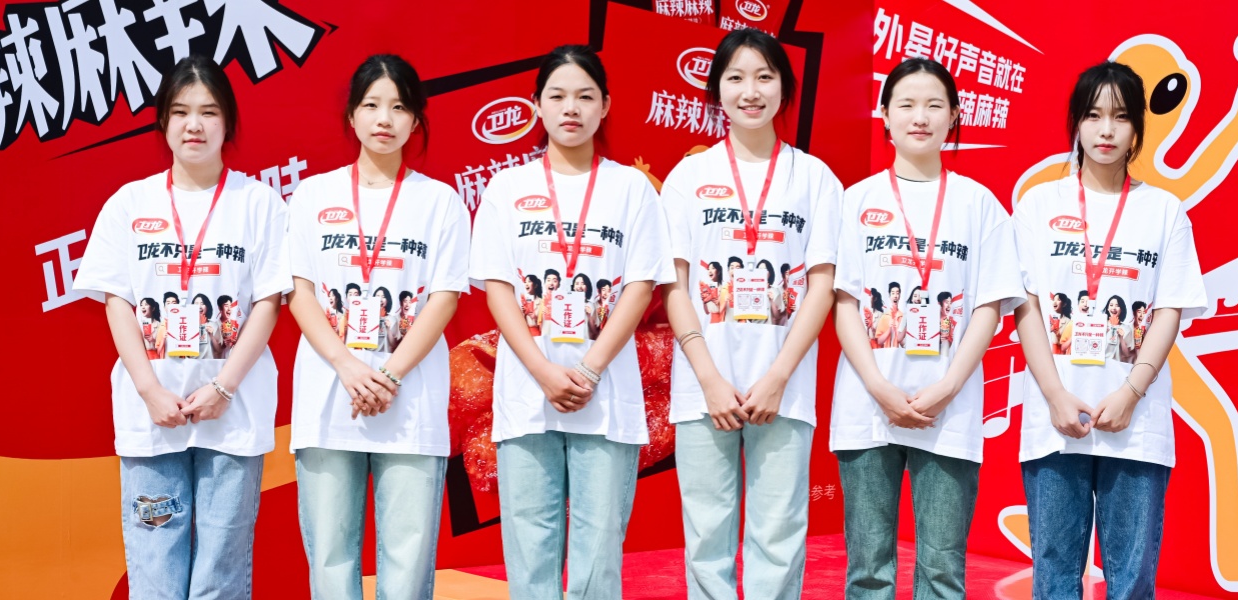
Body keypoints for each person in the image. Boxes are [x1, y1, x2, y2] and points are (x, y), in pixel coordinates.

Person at [73, 55, 290, 598]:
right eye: (181, 112)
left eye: (209, 112)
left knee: (222, 568)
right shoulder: (129, 203)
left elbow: (268, 303)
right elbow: (117, 301)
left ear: (228, 122)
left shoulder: (259, 204)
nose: (194, 125)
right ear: (163, 122)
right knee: (155, 568)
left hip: (234, 412)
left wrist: (223, 387)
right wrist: (149, 390)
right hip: (152, 416)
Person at [468, 44, 673, 599]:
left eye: (585, 96)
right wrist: (542, 370)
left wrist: (587, 369)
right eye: (557, 96)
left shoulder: (632, 189)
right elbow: (498, 287)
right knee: (529, 548)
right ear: (536, 105)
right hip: (526, 394)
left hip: (605, 396)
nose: (571, 108)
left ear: (605, 105)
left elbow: (640, 286)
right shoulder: (507, 189)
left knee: (598, 550)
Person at [1012, 61, 1207, 600]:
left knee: (1132, 582)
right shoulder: (1038, 205)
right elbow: (1026, 304)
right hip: (1055, 419)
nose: (1106, 130)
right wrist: (1055, 395)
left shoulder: (1164, 211)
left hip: (1136, 420)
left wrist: (1130, 392)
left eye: (1120, 117)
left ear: (1137, 127)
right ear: (1076, 122)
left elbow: (1169, 308)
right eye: (1093, 115)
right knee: (1054, 578)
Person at [831, 57, 1024, 599]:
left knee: (943, 572)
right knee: (868, 569)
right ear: (884, 114)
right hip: (868, 407)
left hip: (949, 409)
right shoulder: (855, 200)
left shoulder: (979, 204)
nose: (920, 117)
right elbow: (844, 301)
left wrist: (948, 386)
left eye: (934, 105)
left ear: (954, 116)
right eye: (907, 104)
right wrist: (878, 386)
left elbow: (988, 306)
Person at [659, 28, 840, 599]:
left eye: (765, 76)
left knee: (779, 533)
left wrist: (779, 376)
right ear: (717, 90)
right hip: (703, 386)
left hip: (784, 384)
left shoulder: (815, 178)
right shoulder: (688, 178)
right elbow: (674, 285)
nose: (751, 91)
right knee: (706, 534)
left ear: (785, 88)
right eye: (735, 77)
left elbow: (822, 285)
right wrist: (709, 379)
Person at [285, 54, 470, 599]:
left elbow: (444, 298)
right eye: (371, 105)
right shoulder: (312, 196)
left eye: (399, 107)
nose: (384, 118)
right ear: (351, 115)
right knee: (330, 557)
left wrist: (388, 375)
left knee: (408, 560)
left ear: (416, 120)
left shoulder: (440, 202)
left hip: (410, 401)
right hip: (328, 397)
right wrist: (347, 366)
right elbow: (299, 292)